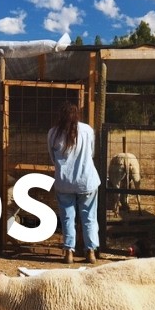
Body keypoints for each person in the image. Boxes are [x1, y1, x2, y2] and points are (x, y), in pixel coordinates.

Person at [48, 102, 100, 265]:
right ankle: (90, 252)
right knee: (89, 217)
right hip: (86, 181)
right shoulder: (87, 130)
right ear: (77, 115)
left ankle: (68, 252)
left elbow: (52, 157)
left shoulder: (52, 133)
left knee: (67, 218)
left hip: (64, 182)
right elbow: (91, 153)